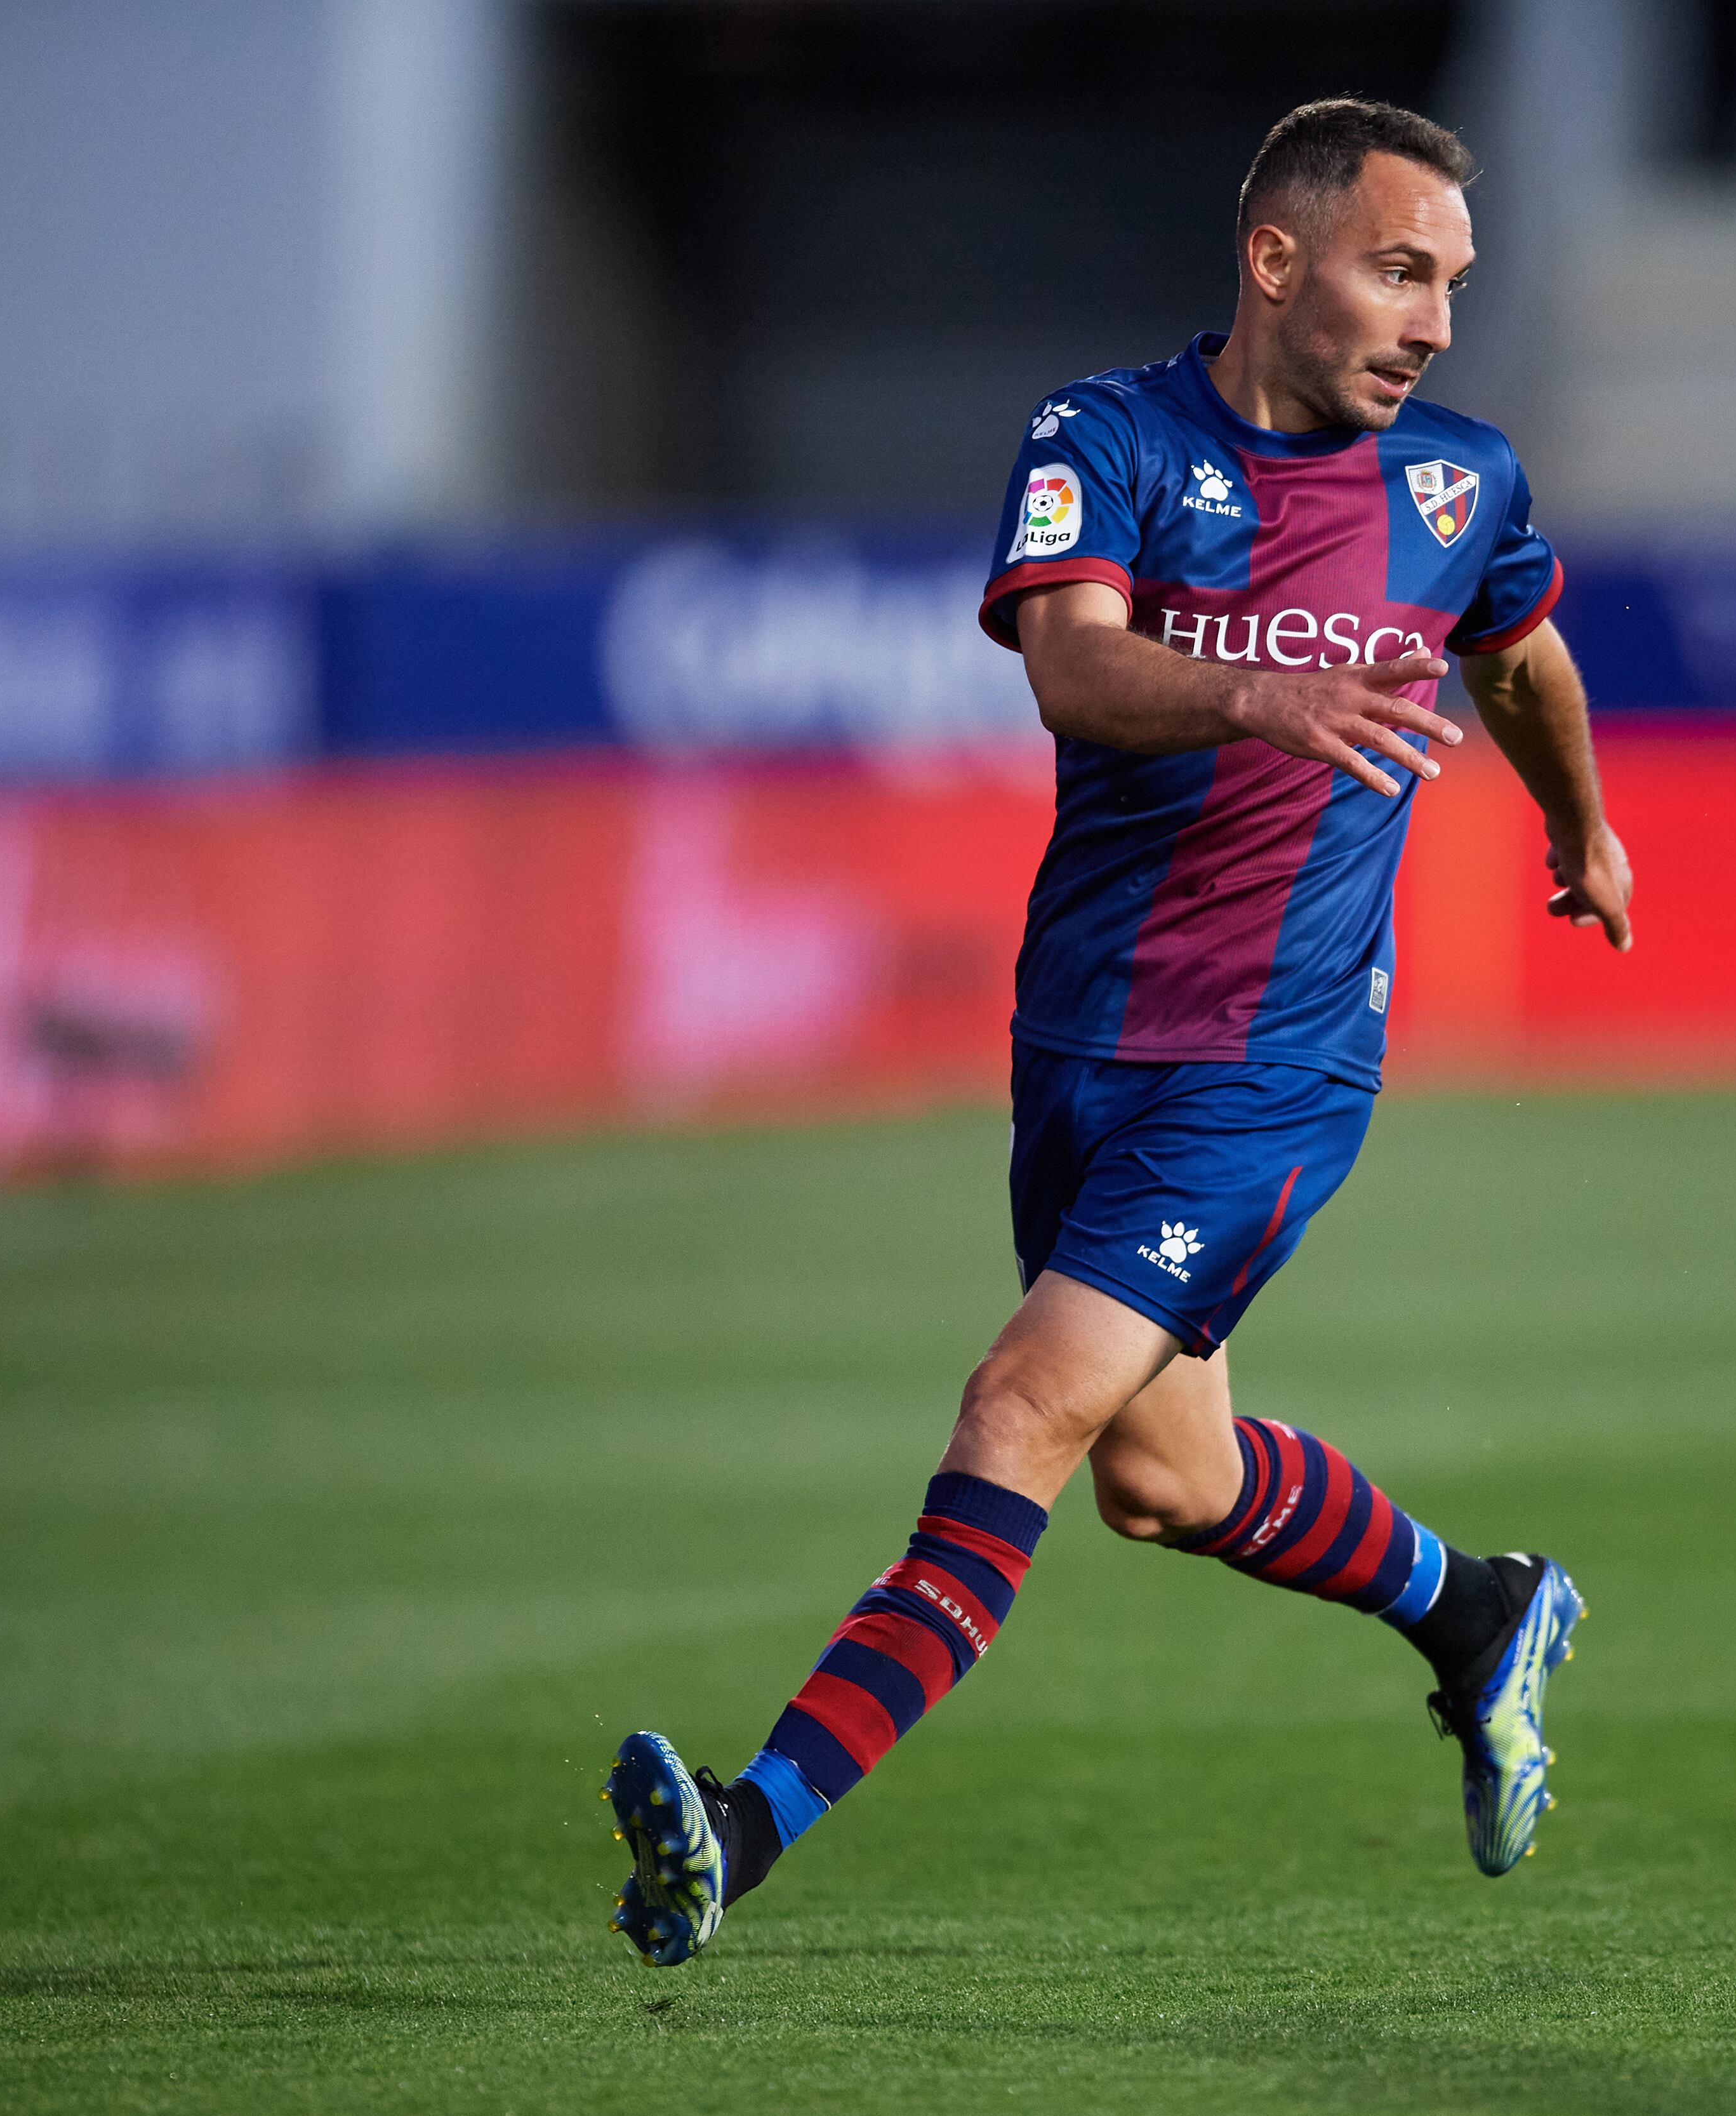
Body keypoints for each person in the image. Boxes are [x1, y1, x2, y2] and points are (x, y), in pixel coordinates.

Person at [602, 95, 1635, 1966]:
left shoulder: (1461, 484)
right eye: (1400, 272)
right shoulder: (1108, 437)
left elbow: (1526, 651)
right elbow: (1072, 660)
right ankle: (1483, 1612)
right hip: (1082, 1043)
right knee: (1172, 1483)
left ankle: (738, 1840)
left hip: (1273, 1073)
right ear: (1275, 261)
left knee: (1020, 1411)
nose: (1435, 325)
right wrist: (1256, 690)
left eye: (1453, 285)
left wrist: (1580, 824)